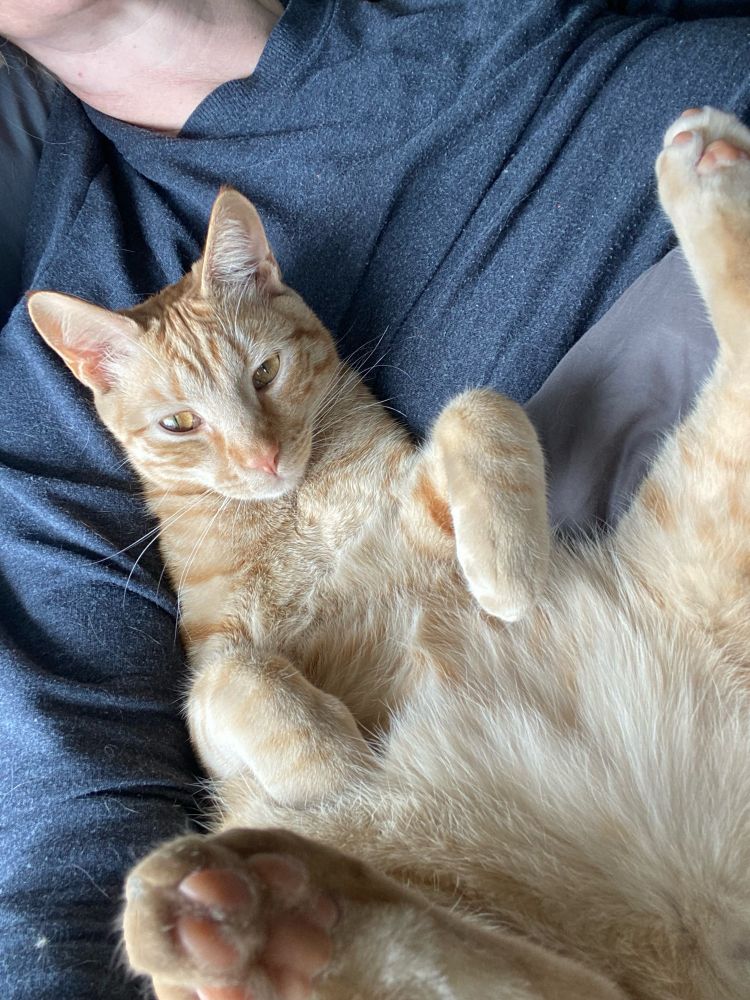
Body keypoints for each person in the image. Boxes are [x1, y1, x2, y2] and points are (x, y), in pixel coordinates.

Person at [0, 2, 748, 997]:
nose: (258, 449)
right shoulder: (69, 335)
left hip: (634, 671)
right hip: (541, 712)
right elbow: (60, 844)